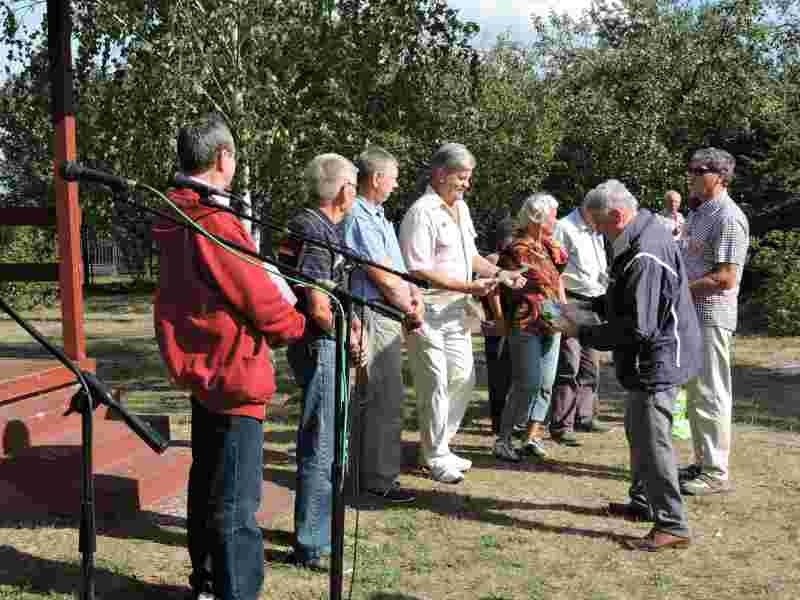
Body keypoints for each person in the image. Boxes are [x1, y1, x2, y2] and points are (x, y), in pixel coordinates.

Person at [153, 114, 307, 600]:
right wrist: (300, 325)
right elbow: (256, 294)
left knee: (207, 486)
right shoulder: (212, 220)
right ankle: (234, 590)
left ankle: (207, 582)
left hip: (205, 367)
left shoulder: (176, 211)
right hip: (232, 370)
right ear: (223, 158)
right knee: (237, 503)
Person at [562, 179, 701, 552]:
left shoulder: (645, 252)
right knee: (637, 431)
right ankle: (642, 503)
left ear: (619, 216)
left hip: (658, 360)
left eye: (601, 226)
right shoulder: (639, 234)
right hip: (651, 356)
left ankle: (672, 524)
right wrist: (581, 309)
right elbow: (622, 299)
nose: (598, 233)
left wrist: (580, 331)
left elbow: (638, 326)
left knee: (653, 441)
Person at [398, 142, 523, 484]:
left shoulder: (462, 209)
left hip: (456, 312)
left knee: (464, 377)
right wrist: (467, 288)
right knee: (436, 380)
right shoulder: (421, 212)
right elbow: (417, 269)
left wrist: (499, 274)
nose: (467, 184)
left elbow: (471, 258)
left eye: (469, 178)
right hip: (427, 311)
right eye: (461, 178)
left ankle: (439, 445)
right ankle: (435, 455)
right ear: (440, 174)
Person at [283, 153, 362, 570]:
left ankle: (319, 530)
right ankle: (312, 544)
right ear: (345, 189)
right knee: (322, 443)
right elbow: (316, 303)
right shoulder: (311, 228)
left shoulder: (327, 228)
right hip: (320, 344)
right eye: (354, 184)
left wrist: (358, 329)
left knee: (333, 442)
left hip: (333, 342)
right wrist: (346, 336)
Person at [343, 145, 423, 503]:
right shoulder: (359, 217)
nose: (396, 184)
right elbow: (382, 276)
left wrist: (414, 297)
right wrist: (409, 307)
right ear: (376, 178)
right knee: (382, 399)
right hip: (375, 313)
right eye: (393, 178)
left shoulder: (378, 216)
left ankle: (366, 474)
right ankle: (378, 479)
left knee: (378, 398)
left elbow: (398, 271)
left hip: (388, 311)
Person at [679, 148, 750, 496]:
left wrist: (678, 294)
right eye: (690, 169)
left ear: (720, 176)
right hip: (693, 315)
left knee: (711, 393)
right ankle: (702, 460)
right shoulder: (700, 213)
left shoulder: (727, 216)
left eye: (699, 170)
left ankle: (715, 473)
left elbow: (725, 277)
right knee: (696, 395)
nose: (691, 175)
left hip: (711, 315)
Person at [489, 193, 568, 462]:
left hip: (552, 317)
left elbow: (557, 282)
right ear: (538, 218)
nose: (556, 219)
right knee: (528, 382)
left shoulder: (549, 247)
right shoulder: (515, 249)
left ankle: (531, 437)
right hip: (525, 320)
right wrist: (499, 319)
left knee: (546, 383)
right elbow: (495, 285)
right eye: (553, 214)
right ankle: (504, 439)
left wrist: (564, 313)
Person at [549, 196, 611, 447]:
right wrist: (560, 308)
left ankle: (584, 416)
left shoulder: (595, 229)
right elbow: (553, 271)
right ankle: (562, 424)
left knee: (590, 364)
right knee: (569, 364)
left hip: (595, 301)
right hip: (572, 301)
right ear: (589, 209)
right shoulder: (564, 227)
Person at [482, 216, 514, 435]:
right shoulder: (493, 260)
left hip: (512, 324)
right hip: (497, 325)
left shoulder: (511, 259)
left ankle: (507, 421)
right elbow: (492, 292)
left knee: (511, 374)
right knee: (498, 376)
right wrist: (499, 318)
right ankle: (498, 421)